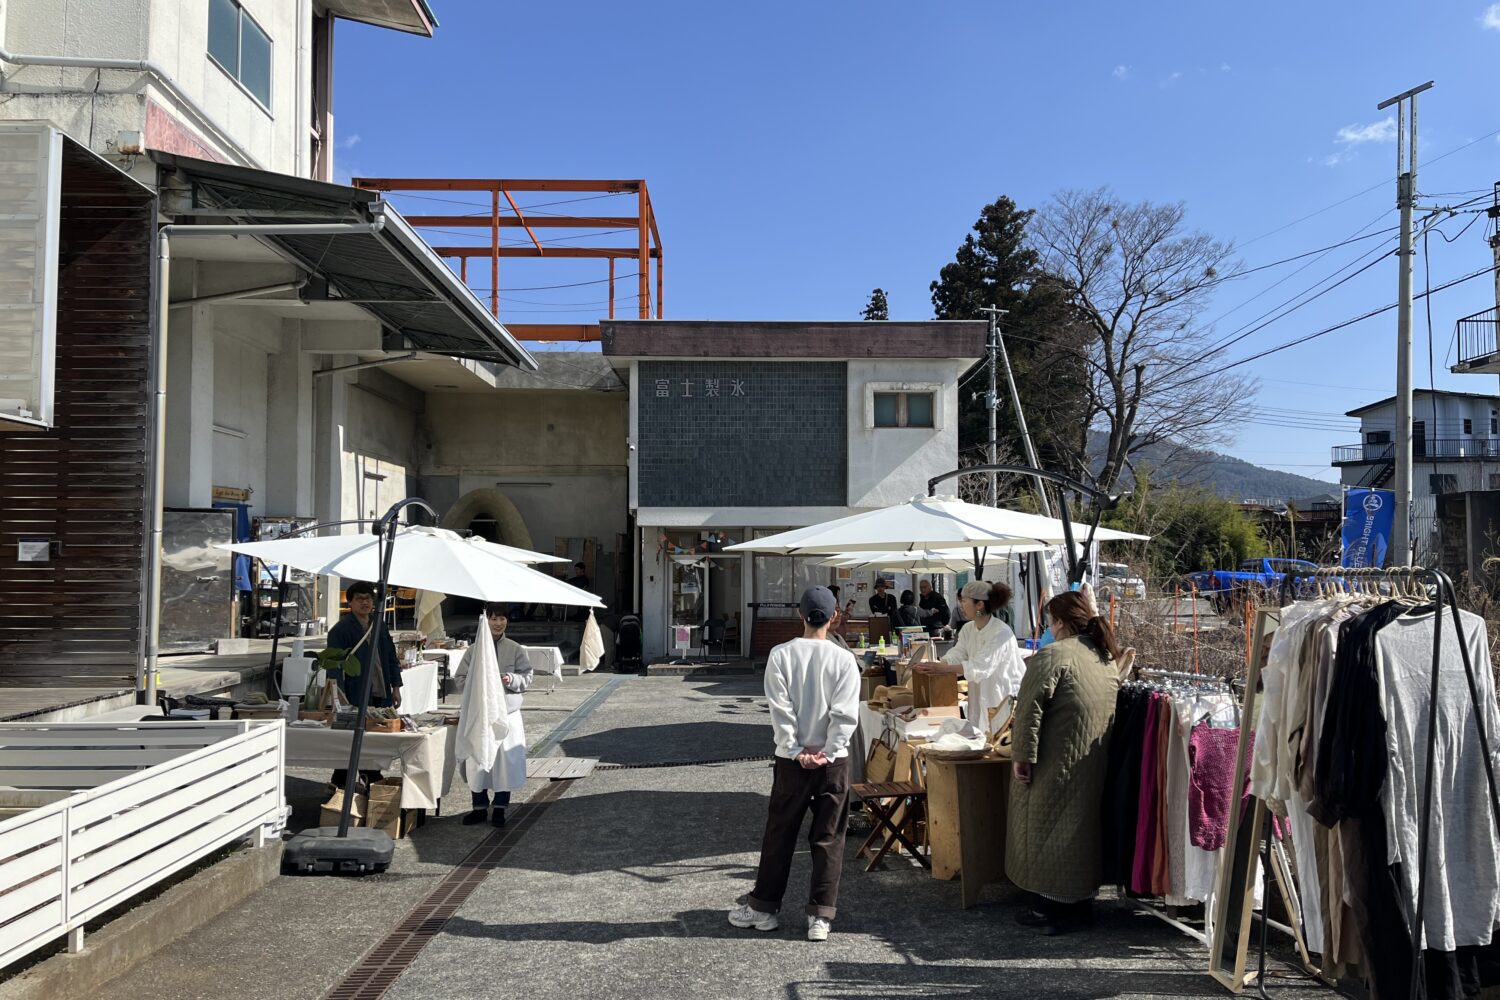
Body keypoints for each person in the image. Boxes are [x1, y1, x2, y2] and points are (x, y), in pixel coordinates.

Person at [729, 587, 859, 943]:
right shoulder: (844, 659)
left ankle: (763, 908)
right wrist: (828, 751)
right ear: (834, 617)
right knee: (829, 838)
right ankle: (820, 916)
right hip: (833, 762)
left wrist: (796, 748)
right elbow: (845, 714)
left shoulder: (781, 654)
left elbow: (780, 709)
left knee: (780, 834)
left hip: (791, 761)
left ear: (800, 615)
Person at [1007, 590, 1122, 935]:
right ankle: (1080, 905)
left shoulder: (1053, 655)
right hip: (1092, 760)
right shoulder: (1104, 656)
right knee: (1080, 832)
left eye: (1049, 622)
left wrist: (1022, 756)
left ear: (1058, 622)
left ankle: (1047, 908)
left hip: (1053, 758)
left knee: (1042, 830)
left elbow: (1028, 710)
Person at [454, 604, 533, 827]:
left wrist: (510, 679)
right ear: (485, 621)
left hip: (507, 713)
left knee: (504, 764)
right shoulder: (474, 651)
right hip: (479, 715)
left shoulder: (515, 648)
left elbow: (527, 677)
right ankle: (479, 807)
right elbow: (460, 679)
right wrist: (479, 683)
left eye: (502, 619)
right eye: (493, 619)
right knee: (477, 761)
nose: (498, 623)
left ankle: (500, 807)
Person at [912, 581, 1025, 735]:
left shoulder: (1001, 632)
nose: (961, 605)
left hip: (1003, 696)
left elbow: (980, 667)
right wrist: (939, 663)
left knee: (999, 739)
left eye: (964, 601)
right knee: (979, 734)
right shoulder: (968, 628)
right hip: (979, 696)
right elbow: (958, 653)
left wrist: (944, 668)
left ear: (979, 605)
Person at [326, 581, 402, 711]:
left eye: (368, 598)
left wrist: (396, 687)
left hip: (382, 690)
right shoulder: (340, 630)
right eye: (359, 599)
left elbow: (391, 657)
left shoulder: (379, 625)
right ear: (350, 602)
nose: (365, 602)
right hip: (355, 691)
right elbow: (334, 667)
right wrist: (339, 696)